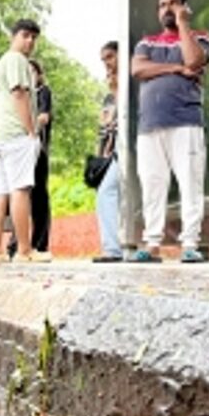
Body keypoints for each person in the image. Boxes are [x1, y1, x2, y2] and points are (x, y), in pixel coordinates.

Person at [129, 0, 209, 264]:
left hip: (185, 122)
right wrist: (175, 69)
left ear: (184, 7)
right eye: (162, 4)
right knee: (152, 185)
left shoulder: (199, 36)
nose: (166, 8)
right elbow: (138, 69)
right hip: (149, 125)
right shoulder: (147, 42)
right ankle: (152, 245)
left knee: (190, 181)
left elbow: (194, 59)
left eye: (173, 3)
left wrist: (183, 22)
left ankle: (190, 243)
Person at [0, 19, 45, 263]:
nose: (29, 41)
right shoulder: (17, 60)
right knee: (21, 190)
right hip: (15, 134)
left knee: (0, 192)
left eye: (33, 37)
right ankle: (24, 250)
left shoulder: (3, 61)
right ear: (14, 36)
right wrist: (31, 131)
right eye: (25, 35)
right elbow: (19, 94)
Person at [7, 59, 53, 261]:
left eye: (33, 71)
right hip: (19, 147)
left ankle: (39, 243)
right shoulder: (20, 95)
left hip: (37, 149)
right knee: (20, 193)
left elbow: (44, 116)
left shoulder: (42, 92)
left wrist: (31, 127)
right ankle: (16, 243)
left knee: (38, 197)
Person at [93, 41, 123, 263]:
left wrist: (118, 88)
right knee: (107, 193)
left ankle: (115, 248)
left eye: (110, 57)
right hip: (114, 152)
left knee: (109, 194)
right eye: (104, 60)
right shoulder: (109, 96)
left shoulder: (131, 85)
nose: (107, 64)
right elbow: (104, 127)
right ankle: (113, 248)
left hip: (133, 148)